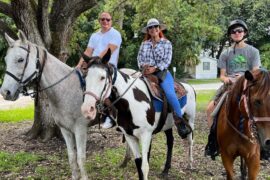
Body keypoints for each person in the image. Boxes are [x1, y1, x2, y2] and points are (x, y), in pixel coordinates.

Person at [205, 19, 261, 159]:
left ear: (244, 33)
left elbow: (256, 73)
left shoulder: (253, 51)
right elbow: (222, 76)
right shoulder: (225, 53)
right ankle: (214, 141)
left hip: (248, 85)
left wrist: (243, 78)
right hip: (229, 86)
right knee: (210, 109)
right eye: (233, 31)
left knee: (262, 106)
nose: (237, 33)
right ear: (230, 35)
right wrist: (227, 79)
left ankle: (263, 143)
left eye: (239, 31)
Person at [137, 18, 192, 139]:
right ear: (148, 30)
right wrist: (143, 66)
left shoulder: (166, 43)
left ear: (159, 28)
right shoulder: (144, 44)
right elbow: (139, 58)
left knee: (169, 93)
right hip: (146, 73)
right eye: (150, 27)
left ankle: (180, 123)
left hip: (161, 73)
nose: (153, 29)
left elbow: (167, 61)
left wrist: (155, 68)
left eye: (155, 26)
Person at [77, 12, 122, 129]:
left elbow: (108, 51)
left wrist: (91, 63)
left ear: (111, 20)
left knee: (101, 86)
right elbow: (88, 51)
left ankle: (111, 114)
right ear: (99, 21)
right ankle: (87, 109)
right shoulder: (94, 35)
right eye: (102, 19)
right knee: (80, 79)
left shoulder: (115, 34)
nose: (105, 21)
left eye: (107, 19)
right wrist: (78, 65)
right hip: (93, 65)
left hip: (107, 64)